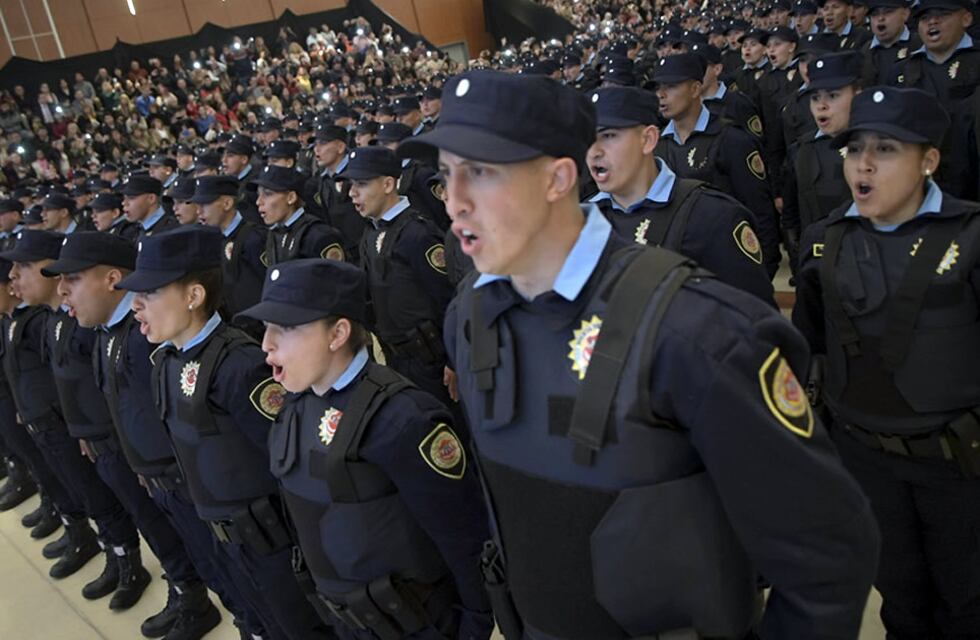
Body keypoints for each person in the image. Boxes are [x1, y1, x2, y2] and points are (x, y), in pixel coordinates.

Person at [399, 69, 879, 640]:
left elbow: (827, 552)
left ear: (557, 178)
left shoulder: (693, 331)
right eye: (447, 175)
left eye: (479, 173)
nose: (453, 203)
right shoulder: (470, 320)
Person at [793, 86, 980, 639]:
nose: (864, 165)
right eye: (854, 150)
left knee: (967, 605)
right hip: (866, 461)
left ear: (929, 161)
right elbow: (812, 351)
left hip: (958, 467)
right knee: (900, 601)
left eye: (887, 149)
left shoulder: (970, 237)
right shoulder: (823, 242)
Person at [237, 258, 493, 640]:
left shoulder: (402, 418)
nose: (266, 344)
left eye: (285, 328)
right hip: (345, 618)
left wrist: (474, 625)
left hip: (414, 622)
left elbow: (464, 536)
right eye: (266, 327)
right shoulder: (296, 405)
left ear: (337, 333)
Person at [118, 225, 334, 640]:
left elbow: (293, 465)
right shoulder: (165, 362)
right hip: (219, 538)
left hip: (271, 544)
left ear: (193, 296)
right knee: (256, 622)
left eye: (149, 295)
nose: (136, 307)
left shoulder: (239, 366)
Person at [53, 231, 263, 639]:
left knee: (248, 582)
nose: (64, 290)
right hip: (168, 482)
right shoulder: (123, 338)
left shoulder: (157, 343)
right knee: (218, 573)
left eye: (74, 279)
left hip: (202, 488)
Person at [586, 86, 775, 304]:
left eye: (608, 135)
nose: (594, 152)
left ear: (647, 139)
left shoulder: (712, 215)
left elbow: (755, 316)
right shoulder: (582, 220)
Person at [340, 147, 456, 408]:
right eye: (350, 185)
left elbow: (449, 300)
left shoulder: (418, 233)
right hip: (397, 359)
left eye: (361, 183)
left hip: (432, 361)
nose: (352, 193)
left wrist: (454, 360)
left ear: (388, 184)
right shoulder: (370, 234)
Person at [653, 53, 782, 279]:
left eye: (671, 86)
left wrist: (764, 272)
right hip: (680, 270)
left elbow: (760, 212)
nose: (661, 95)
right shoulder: (658, 147)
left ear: (695, 89)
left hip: (729, 263)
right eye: (659, 87)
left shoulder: (731, 140)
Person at [782, 51, 864, 269]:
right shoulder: (800, 150)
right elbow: (792, 218)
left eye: (833, 96)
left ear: (858, 94)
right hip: (819, 265)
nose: (822, 105)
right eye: (815, 97)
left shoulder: (880, 151)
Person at [892, 0, 979, 201]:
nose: (932, 23)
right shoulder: (903, 71)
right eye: (925, 18)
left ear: (966, 18)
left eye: (943, 15)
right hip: (921, 186)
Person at [192, 175, 267, 326]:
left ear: (227, 203)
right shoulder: (211, 240)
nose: (198, 212)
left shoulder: (254, 238)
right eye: (197, 205)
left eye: (205, 204)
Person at [256, 165, 346, 264]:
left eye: (268, 194)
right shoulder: (274, 234)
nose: (259, 202)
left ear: (291, 197)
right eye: (258, 194)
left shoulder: (318, 236)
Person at [311, 124, 366, 261]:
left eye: (323, 143)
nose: (317, 149)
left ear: (340, 147)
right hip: (343, 251)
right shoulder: (323, 179)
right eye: (316, 144)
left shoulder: (358, 173)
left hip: (364, 250)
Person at [859, 0, 919, 85]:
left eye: (888, 12)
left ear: (905, 14)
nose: (880, 18)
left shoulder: (920, 45)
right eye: (875, 14)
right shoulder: (864, 52)